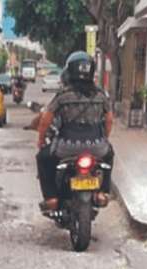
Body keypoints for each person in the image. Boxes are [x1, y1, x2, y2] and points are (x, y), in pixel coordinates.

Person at [35, 51, 114, 212]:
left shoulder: (63, 95)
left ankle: (51, 198)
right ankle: (101, 193)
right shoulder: (101, 94)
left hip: (66, 147)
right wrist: (104, 138)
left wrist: (41, 139)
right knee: (109, 156)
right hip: (97, 147)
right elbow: (109, 119)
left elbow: (46, 119)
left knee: (43, 158)